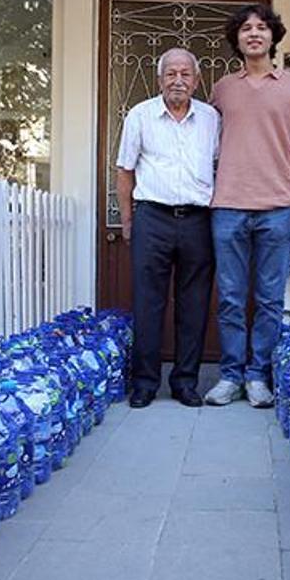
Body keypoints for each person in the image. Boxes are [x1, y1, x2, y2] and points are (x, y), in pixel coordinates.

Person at [204, 3, 290, 409]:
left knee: (270, 298)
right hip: (228, 205)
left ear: (273, 36)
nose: (254, 33)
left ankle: (258, 376)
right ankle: (231, 376)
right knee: (232, 297)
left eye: (262, 27)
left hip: (279, 206)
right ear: (236, 39)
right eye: (246, 29)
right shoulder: (222, 89)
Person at [115, 48, 220, 408]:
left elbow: (225, 165)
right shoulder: (140, 115)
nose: (178, 80)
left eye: (185, 74)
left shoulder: (211, 119)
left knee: (194, 304)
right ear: (159, 79)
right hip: (152, 217)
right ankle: (144, 382)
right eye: (171, 74)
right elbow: (125, 170)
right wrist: (128, 220)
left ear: (196, 80)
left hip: (199, 220)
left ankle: (185, 382)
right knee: (148, 302)